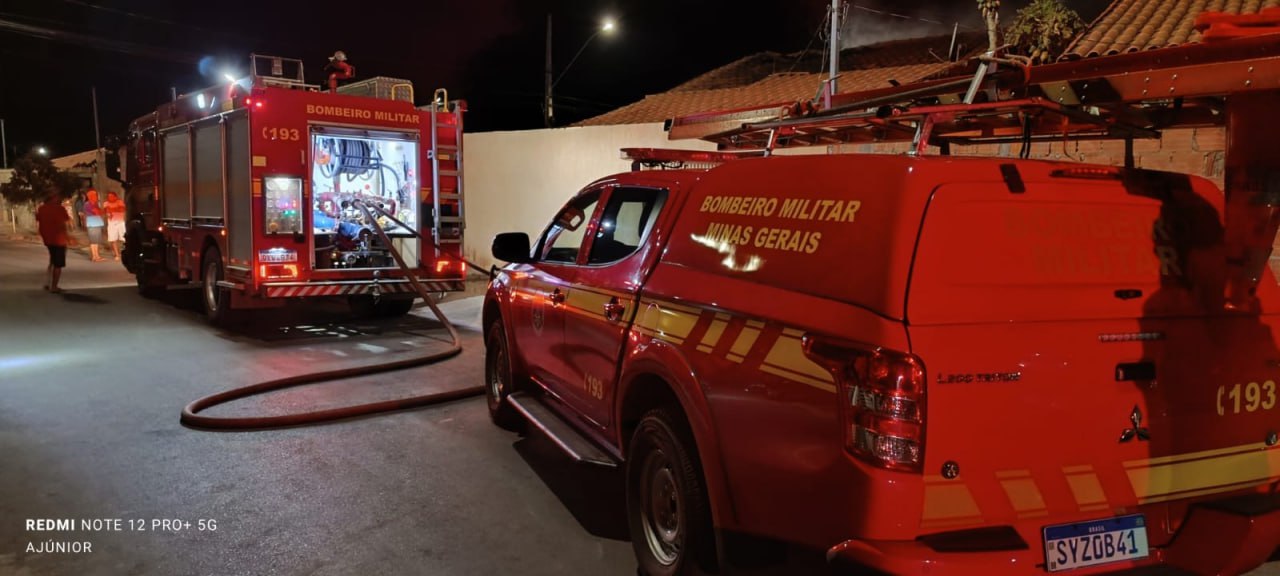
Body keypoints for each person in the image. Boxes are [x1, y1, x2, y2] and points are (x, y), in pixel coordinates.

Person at [36, 191, 73, 293]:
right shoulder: (59, 209)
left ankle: (47, 282)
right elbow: (63, 224)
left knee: (52, 260)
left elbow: (39, 221)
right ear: (53, 198)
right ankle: (54, 286)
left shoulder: (42, 208)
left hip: (47, 239)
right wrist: (68, 237)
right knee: (58, 264)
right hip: (59, 239)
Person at [82, 188, 105, 262]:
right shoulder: (88, 204)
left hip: (96, 222)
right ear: (89, 196)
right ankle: (94, 256)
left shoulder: (94, 203)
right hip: (92, 223)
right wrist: (103, 210)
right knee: (93, 241)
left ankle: (97, 256)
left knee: (96, 241)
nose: (95, 196)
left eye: (95, 194)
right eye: (93, 195)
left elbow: (100, 212)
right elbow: (98, 212)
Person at [103, 190, 126, 261]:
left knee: (124, 239)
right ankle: (117, 254)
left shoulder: (120, 201)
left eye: (112, 196)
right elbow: (107, 210)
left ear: (115, 196)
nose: (110, 198)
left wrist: (112, 209)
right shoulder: (106, 203)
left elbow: (122, 209)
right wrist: (116, 209)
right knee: (113, 240)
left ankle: (126, 252)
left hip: (120, 223)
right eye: (109, 196)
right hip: (111, 223)